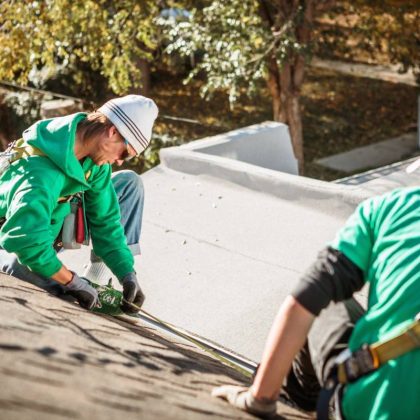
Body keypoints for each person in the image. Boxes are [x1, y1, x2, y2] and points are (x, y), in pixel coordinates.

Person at [213, 182, 420, 419]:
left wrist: (258, 399)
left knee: (326, 304)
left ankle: (285, 399)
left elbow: (302, 302)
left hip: (372, 406)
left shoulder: (391, 208)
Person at [0, 94, 158, 312]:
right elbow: (26, 242)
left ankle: (94, 282)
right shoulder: (40, 172)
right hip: (13, 240)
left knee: (128, 182)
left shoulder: (95, 162)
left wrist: (127, 273)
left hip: (52, 225)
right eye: (125, 153)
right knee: (33, 274)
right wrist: (71, 282)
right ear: (112, 132)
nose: (120, 161)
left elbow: (106, 221)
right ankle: (65, 284)